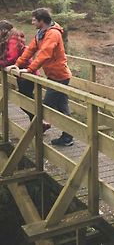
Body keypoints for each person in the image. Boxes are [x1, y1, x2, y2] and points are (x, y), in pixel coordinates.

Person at [6, 9, 74, 146]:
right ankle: (68, 137)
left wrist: (30, 69)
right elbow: (30, 50)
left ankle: (35, 135)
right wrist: (17, 65)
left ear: (42, 21)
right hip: (53, 75)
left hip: (60, 76)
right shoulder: (41, 34)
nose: (32, 22)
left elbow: (45, 54)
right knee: (62, 107)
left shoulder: (53, 33)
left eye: (34, 20)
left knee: (44, 108)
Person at [0, 20, 51, 131]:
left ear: (3, 30)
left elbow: (12, 57)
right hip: (22, 73)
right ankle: (40, 124)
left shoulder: (13, 39)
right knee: (26, 99)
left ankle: (40, 123)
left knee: (25, 102)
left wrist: (1, 64)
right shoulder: (10, 38)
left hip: (27, 73)